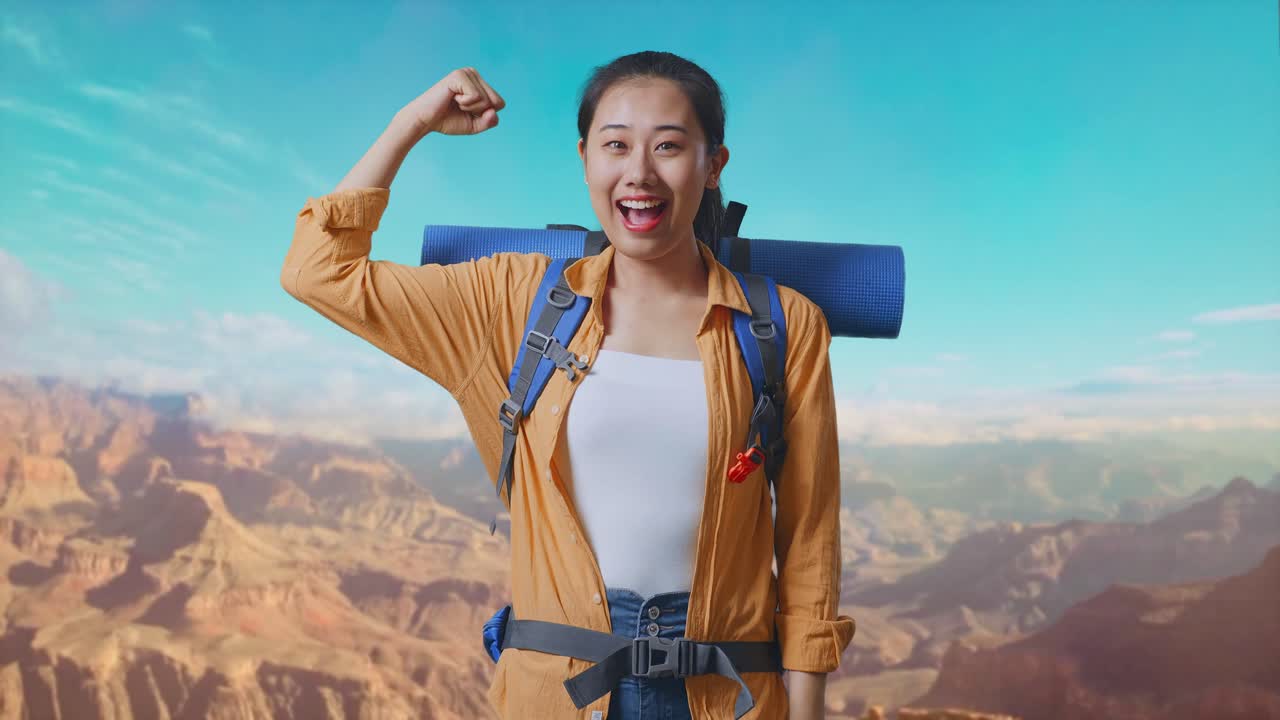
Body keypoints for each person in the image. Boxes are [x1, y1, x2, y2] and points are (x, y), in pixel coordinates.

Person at [280, 50, 854, 720]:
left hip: (729, 697)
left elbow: (810, 538)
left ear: (713, 164)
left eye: (669, 146)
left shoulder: (781, 325)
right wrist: (410, 123)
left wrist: (808, 708)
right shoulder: (511, 303)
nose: (639, 172)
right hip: (556, 695)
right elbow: (316, 271)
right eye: (616, 145)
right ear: (585, 158)